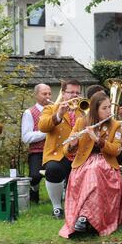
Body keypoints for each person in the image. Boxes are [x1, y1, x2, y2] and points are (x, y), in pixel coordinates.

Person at [59, 91, 122, 238]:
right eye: (104, 108)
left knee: (94, 171)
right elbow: (66, 151)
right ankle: (84, 218)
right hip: (84, 163)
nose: (109, 111)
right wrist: (72, 144)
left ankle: (86, 217)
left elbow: (116, 150)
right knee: (90, 172)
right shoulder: (82, 122)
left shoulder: (115, 125)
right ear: (95, 109)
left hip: (105, 163)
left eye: (109, 107)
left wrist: (98, 140)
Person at [38, 79, 85, 219]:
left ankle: (80, 207)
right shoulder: (50, 109)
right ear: (63, 93)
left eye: (77, 92)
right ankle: (57, 207)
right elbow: (43, 127)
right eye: (71, 92)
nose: (74, 95)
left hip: (79, 153)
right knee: (53, 169)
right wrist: (59, 114)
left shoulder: (83, 110)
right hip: (57, 153)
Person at [21, 84, 51, 203]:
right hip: (37, 152)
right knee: (35, 176)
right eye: (44, 94)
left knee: (58, 172)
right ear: (36, 95)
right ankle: (34, 191)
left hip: (55, 151)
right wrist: (46, 133)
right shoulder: (29, 113)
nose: (48, 97)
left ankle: (61, 197)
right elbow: (26, 137)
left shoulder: (56, 110)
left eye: (49, 93)